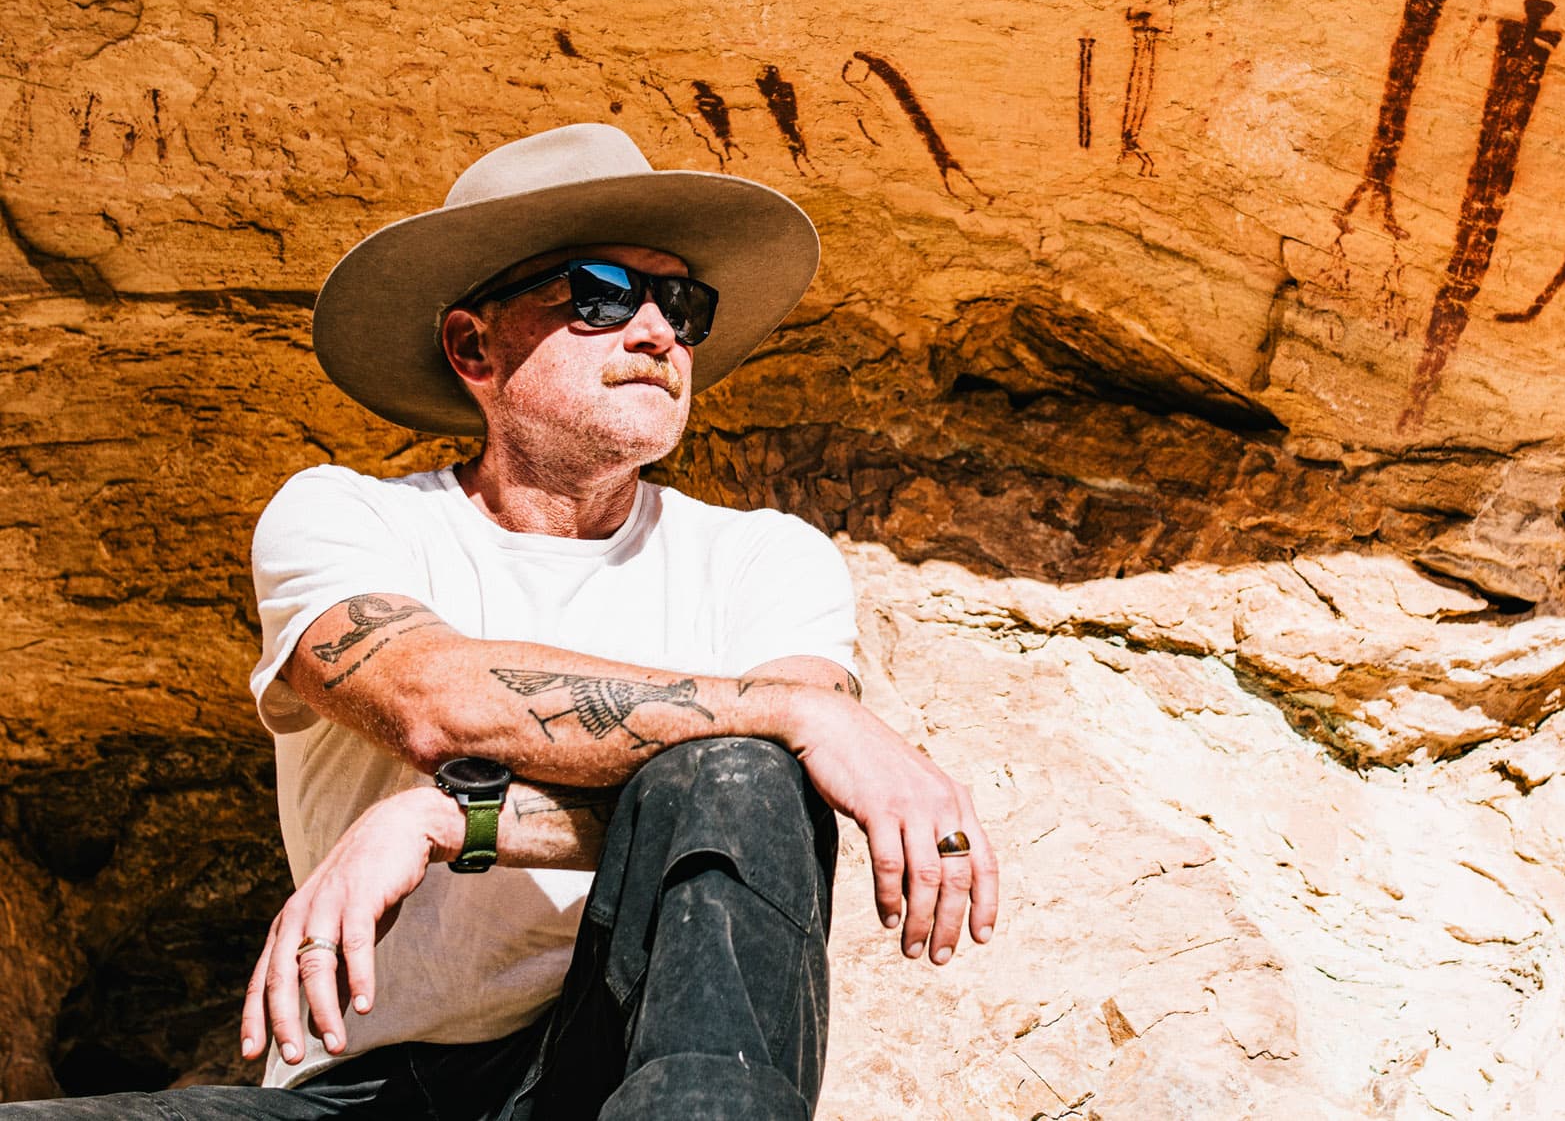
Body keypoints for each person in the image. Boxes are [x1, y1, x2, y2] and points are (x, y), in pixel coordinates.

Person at [5, 123, 998, 1119]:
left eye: (681, 304)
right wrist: (795, 713)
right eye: (601, 295)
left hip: (612, 1063)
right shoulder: (346, 517)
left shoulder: (764, 556)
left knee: (740, 769)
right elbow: (435, 698)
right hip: (364, 1083)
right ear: (472, 345)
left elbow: (754, 810)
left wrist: (450, 816)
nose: (656, 332)